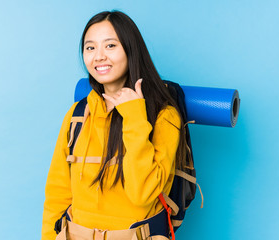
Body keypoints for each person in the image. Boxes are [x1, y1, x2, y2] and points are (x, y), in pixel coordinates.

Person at [41, 10, 188, 240]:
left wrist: (134, 115)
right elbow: (57, 195)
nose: (98, 56)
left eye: (110, 46)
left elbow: (142, 194)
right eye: (90, 48)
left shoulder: (164, 116)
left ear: (131, 50)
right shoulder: (77, 115)